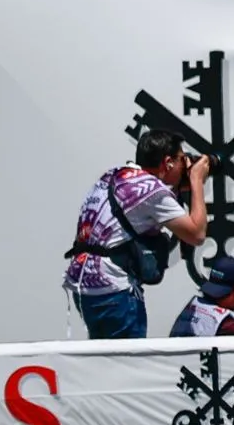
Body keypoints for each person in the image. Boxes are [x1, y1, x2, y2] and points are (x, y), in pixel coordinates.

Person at [67, 129, 207, 340]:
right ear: (168, 162)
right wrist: (196, 181)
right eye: (181, 159)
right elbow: (196, 234)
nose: (184, 165)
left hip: (85, 281)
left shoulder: (116, 175)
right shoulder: (151, 190)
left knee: (103, 359)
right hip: (113, 288)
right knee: (125, 364)